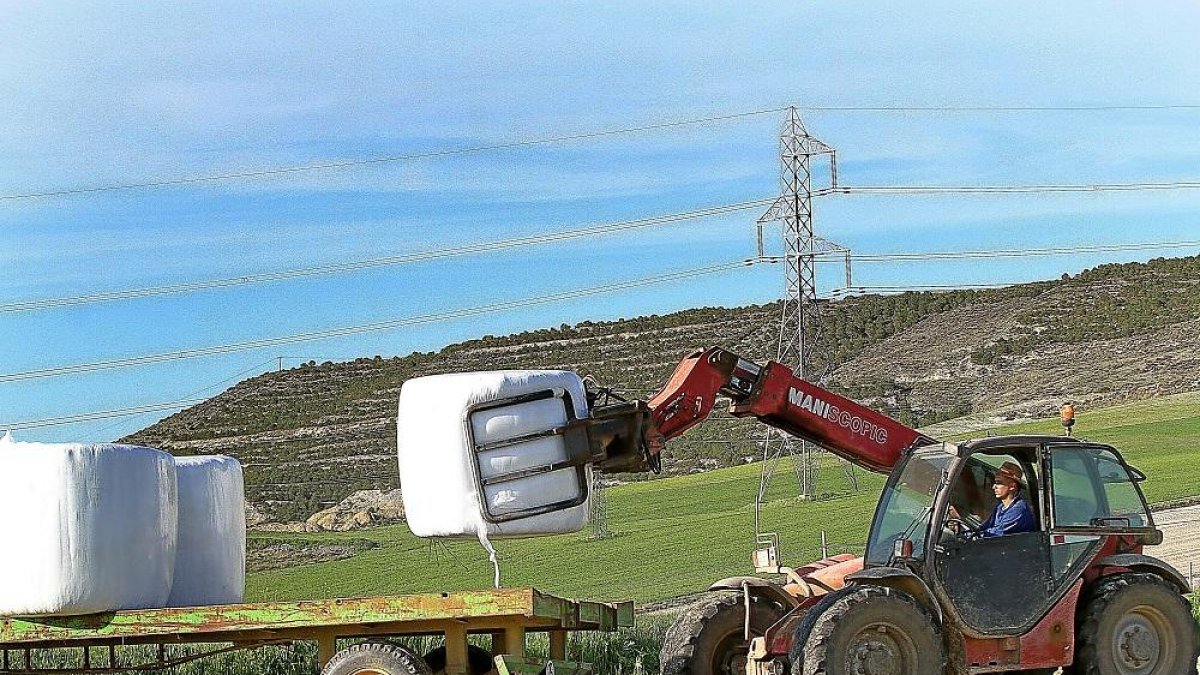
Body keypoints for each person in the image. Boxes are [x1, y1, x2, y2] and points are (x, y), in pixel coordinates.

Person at [970, 462, 1037, 538]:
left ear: (1012, 486)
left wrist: (975, 536)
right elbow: (984, 528)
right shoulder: (1000, 508)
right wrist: (969, 533)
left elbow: (997, 533)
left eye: (998, 482)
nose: (994, 487)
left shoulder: (1019, 509)